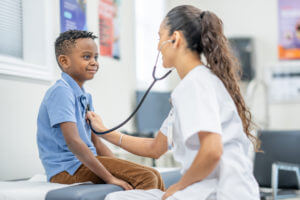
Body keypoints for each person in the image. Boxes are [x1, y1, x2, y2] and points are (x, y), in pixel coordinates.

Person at [86, 5, 260, 200]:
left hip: (220, 193)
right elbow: (155, 148)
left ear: (175, 39)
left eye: (160, 36)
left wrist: (179, 186)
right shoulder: (196, 83)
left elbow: (212, 150)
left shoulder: (195, 84)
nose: (157, 45)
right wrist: (105, 132)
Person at [36, 30, 165, 191]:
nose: (94, 62)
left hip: (84, 164)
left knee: (154, 173)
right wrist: (109, 177)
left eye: (95, 57)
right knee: (146, 177)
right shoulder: (61, 92)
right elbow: (74, 142)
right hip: (66, 169)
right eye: (86, 57)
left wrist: (122, 167)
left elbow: (95, 142)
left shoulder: (85, 96)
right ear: (64, 61)